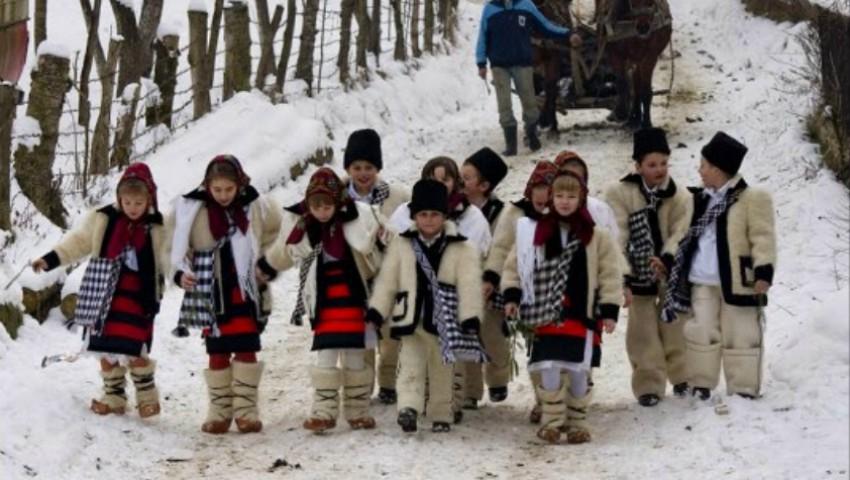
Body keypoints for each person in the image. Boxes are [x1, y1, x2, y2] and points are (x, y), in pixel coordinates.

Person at [32, 163, 168, 419]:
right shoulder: (104, 218)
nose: (132, 208)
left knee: (134, 347)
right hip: (103, 293)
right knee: (104, 347)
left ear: (149, 199)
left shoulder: (158, 226)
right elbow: (79, 242)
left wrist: (183, 274)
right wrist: (50, 259)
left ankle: (148, 398)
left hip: (139, 297)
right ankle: (114, 397)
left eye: (138, 203)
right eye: (127, 202)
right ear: (119, 198)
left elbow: (170, 257)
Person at [501, 171, 622, 444]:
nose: (565, 201)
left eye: (571, 196)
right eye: (559, 195)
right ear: (551, 198)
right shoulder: (535, 232)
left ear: (581, 199)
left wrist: (610, 310)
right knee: (548, 366)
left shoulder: (597, 236)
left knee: (579, 367)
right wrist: (512, 296)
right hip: (545, 312)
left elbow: (610, 274)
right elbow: (514, 267)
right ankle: (552, 421)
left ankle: (577, 422)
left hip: (582, 313)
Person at [260, 167, 382, 432]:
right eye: (317, 207)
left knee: (355, 355)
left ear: (337, 203)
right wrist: (267, 265)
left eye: (327, 206)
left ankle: (357, 410)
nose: (322, 212)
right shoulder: (304, 226)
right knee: (326, 355)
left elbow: (375, 249)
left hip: (353, 300)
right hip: (325, 302)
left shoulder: (356, 219)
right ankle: (323, 411)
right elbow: (286, 250)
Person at [171, 155, 282, 434]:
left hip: (244, 289)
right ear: (207, 186)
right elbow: (174, 246)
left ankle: (246, 410)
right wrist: (180, 272)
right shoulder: (193, 209)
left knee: (246, 346)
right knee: (217, 349)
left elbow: (276, 234)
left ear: (239, 185)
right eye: (217, 189)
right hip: (211, 289)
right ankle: (219, 411)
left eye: (228, 189)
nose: (222, 195)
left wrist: (266, 262)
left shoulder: (256, 205)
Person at [661, 132, 776, 401]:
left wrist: (764, 270)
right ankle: (701, 383)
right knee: (701, 330)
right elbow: (682, 234)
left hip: (738, 280)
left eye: (703, 165)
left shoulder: (752, 198)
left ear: (718, 168)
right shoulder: (697, 200)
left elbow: (763, 237)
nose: (699, 171)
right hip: (702, 278)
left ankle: (743, 386)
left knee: (741, 331)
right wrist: (667, 258)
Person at [367, 179, 487, 433]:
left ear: (445, 215)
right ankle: (408, 408)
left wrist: (470, 316)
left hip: (445, 322)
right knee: (410, 365)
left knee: (442, 370)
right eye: (423, 214)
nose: (429, 220)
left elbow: (469, 285)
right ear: (414, 216)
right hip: (411, 318)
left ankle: (440, 414)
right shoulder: (402, 244)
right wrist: (377, 310)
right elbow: (388, 279)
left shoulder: (461, 247)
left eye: (434, 214)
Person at [605, 128, 691, 406]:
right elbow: (616, 235)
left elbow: (681, 231)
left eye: (664, 163)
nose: (659, 170)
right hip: (637, 272)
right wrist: (623, 274)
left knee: (676, 325)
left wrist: (667, 258)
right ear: (638, 166)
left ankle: (683, 376)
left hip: (669, 271)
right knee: (642, 332)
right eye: (652, 164)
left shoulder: (679, 196)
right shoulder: (620, 193)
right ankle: (649, 384)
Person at [341, 128, 410, 406]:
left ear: (377, 168)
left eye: (369, 167)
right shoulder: (337, 197)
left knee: (391, 334)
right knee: (362, 335)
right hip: (354, 275)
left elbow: (411, 224)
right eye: (357, 168)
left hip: (388, 274)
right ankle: (362, 384)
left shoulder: (396, 196)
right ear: (348, 168)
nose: (363, 174)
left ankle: (389, 381)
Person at [475, 0, 582, 155]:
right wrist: (481, 62)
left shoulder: (526, 5)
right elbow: (483, 36)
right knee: (504, 106)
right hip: (499, 66)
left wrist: (568, 33)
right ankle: (511, 146)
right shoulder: (490, 9)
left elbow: (545, 26)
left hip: (522, 64)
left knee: (529, 102)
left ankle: (532, 134)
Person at [459, 148, 510, 409]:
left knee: (492, 336)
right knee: (467, 336)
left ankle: (498, 378)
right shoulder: (458, 210)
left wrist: (492, 278)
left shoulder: (502, 214)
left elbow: (502, 248)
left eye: (466, 178)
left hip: (493, 286)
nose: (460, 182)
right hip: (465, 285)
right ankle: (470, 391)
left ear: (484, 185)